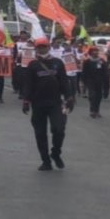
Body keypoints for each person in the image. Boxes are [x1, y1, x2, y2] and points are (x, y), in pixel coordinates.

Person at [21, 37, 74, 170]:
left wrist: (69, 97)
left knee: (59, 129)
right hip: (38, 104)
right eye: (39, 47)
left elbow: (64, 82)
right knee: (40, 133)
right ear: (36, 49)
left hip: (55, 103)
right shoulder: (32, 65)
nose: (42, 49)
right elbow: (28, 84)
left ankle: (55, 153)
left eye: (44, 47)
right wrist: (26, 100)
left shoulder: (58, 63)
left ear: (48, 47)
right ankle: (46, 161)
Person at [80, 46, 109, 118]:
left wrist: (106, 82)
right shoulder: (87, 61)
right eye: (94, 51)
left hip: (99, 81)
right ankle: (92, 110)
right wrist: (83, 81)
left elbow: (105, 72)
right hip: (90, 81)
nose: (95, 52)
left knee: (99, 96)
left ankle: (97, 111)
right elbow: (84, 72)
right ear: (90, 52)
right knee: (92, 95)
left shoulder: (102, 61)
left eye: (96, 51)